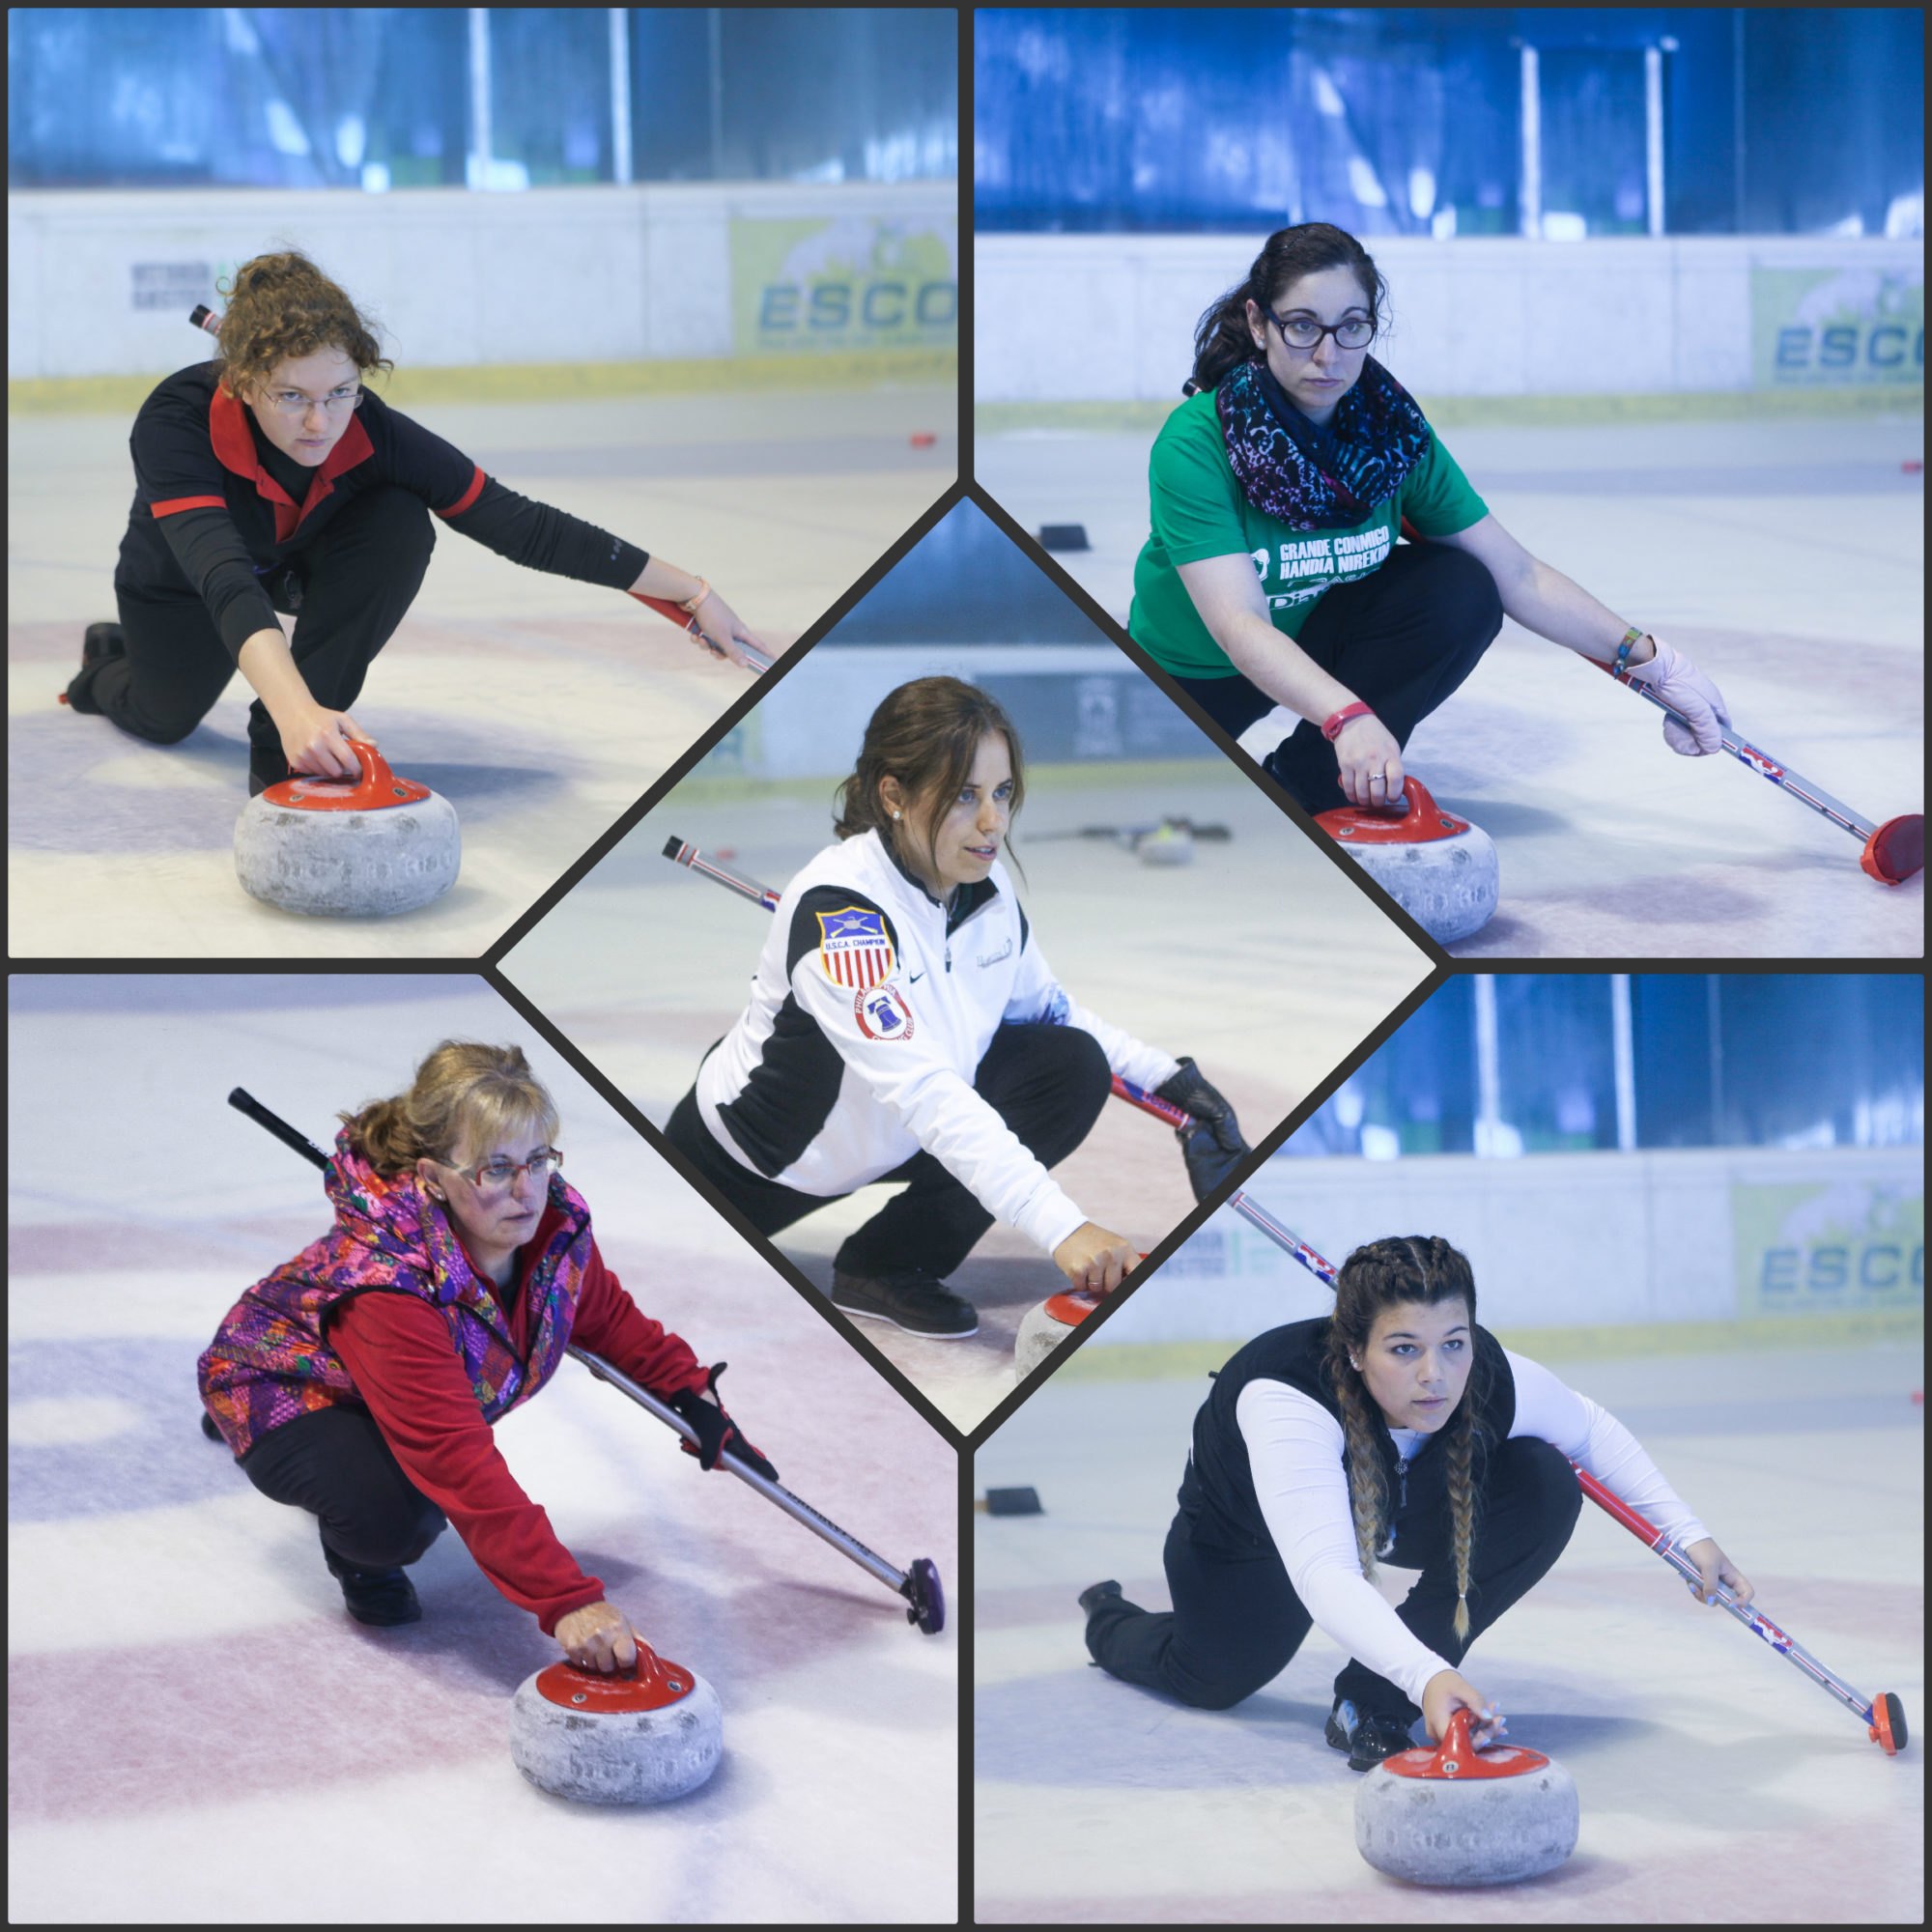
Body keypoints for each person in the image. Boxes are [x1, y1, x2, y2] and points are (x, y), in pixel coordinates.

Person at [664, 675, 1250, 1340]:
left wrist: (1178, 1084)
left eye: (1001, 793)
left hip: (883, 1139)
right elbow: (925, 1091)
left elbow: (1052, 1013)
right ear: (894, 794)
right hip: (754, 1167)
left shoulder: (986, 886)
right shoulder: (843, 917)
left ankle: (886, 1265)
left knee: (1071, 1067)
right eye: (965, 796)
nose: (994, 821)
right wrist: (1064, 1227)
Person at [66, 248, 770, 796]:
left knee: (400, 521)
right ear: (244, 382)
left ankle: (283, 752)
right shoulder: (175, 421)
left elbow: (521, 525)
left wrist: (692, 593)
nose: (321, 422)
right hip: (184, 585)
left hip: (285, 568)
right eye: (291, 396)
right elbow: (220, 575)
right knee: (164, 719)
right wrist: (292, 703)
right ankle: (107, 660)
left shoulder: (375, 432)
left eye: (341, 392)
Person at [197, 1041, 773, 1672]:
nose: (526, 1191)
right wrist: (567, 1600)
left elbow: (607, 1319)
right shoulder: (389, 1289)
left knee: (409, 1462)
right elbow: (453, 1456)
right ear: (432, 1177)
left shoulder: (552, 1228)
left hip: (384, 1385)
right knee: (395, 1517)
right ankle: (346, 1543)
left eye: (538, 1160)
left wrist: (692, 1396)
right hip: (282, 1383)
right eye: (494, 1169)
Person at [1079, 1235, 1755, 1769]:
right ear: (1353, 1350)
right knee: (1213, 1679)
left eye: (1452, 1344)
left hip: (1396, 1507)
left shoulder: (1484, 1372)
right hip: (1248, 1542)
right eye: (1404, 1349)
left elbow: (1591, 1430)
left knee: (1547, 1480)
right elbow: (1323, 1574)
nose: (1435, 1375)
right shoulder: (1286, 1399)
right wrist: (1429, 1675)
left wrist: (1690, 1535)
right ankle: (1106, 1616)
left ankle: (1365, 1703)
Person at [1129, 221, 1732, 815]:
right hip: (1199, 669)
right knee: (1135, 813)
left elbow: (1516, 574)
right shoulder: (1198, 441)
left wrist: (1649, 658)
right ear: (1260, 324)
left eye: (1351, 328)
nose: (1327, 354)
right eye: (1302, 326)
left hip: (1316, 635)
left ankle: (1306, 786)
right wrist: (1350, 717)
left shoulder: (1389, 435)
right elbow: (1240, 627)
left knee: (1463, 587)